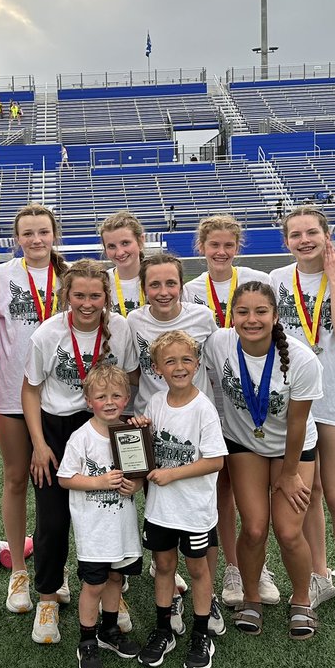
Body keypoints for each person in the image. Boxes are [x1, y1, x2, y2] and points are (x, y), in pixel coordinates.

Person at [22, 258, 138, 644]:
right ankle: (48, 596)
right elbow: (31, 390)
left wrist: (125, 425)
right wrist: (39, 444)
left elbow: (131, 377)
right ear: (65, 296)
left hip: (105, 424)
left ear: (107, 295)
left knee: (111, 510)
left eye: (95, 295)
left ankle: (111, 594)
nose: (87, 303)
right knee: (53, 520)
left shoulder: (119, 329)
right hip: (56, 428)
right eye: (79, 295)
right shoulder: (47, 333)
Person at [206, 281, 323, 639]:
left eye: (261, 312)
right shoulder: (218, 343)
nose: (251, 319)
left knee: (288, 532)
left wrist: (288, 475)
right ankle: (251, 597)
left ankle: (301, 600)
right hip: (244, 444)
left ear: (275, 317)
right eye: (243, 311)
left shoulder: (301, 360)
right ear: (231, 315)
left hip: (293, 448)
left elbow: (297, 423)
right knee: (255, 528)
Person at [270, 208, 335, 622]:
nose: (304, 240)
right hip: (294, 399)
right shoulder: (274, 280)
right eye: (296, 234)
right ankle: (318, 575)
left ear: (327, 236)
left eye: (312, 232)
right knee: (306, 497)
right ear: (287, 241)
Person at [181, 215, 274, 610]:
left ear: (238, 247)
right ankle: (233, 568)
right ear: (200, 247)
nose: (220, 252)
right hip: (207, 397)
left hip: (248, 396)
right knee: (221, 488)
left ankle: (259, 565)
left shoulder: (255, 278)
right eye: (213, 245)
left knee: (252, 490)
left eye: (228, 245)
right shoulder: (188, 289)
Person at [0, 204, 69, 617]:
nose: (36, 240)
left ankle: (60, 568)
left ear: (55, 235)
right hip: (11, 396)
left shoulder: (70, 276)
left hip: (65, 397)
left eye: (43, 232)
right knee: (17, 478)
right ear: (16, 238)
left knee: (66, 484)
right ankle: (18, 568)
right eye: (28, 233)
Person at [127, 254, 220, 633]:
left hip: (195, 424)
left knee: (202, 515)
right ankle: (167, 600)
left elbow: (217, 363)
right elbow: (132, 372)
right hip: (157, 422)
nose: (163, 292)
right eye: (154, 285)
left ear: (182, 285)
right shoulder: (134, 321)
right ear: (143, 288)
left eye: (171, 283)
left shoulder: (202, 317)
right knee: (162, 519)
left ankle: (206, 600)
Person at [128, 331, 227, 668]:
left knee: (198, 569)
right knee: (165, 566)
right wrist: (140, 430)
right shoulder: (155, 403)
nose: (179, 367)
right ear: (157, 368)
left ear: (197, 364)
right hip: (160, 510)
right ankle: (163, 628)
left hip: (193, 510)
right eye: (170, 361)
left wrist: (172, 474)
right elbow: (148, 449)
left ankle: (201, 634)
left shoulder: (204, 409)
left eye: (186, 360)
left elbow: (215, 460)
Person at [57, 364, 144, 668]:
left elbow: (140, 474)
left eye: (116, 395)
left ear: (127, 397)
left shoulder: (130, 433)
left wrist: (136, 484)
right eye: (101, 396)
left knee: (116, 580)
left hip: (122, 528)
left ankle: (110, 631)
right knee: (93, 584)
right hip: (93, 530)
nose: (109, 402)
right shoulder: (81, 438)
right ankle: (87, 640)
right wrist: (99, 482)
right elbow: (65, 478)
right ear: (88, 400)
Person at [101, 210, 146, 317]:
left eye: (125, 243)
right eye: (111, 246)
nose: (120, 252)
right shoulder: (101, 282)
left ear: (141, 241)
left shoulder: (158, 278)